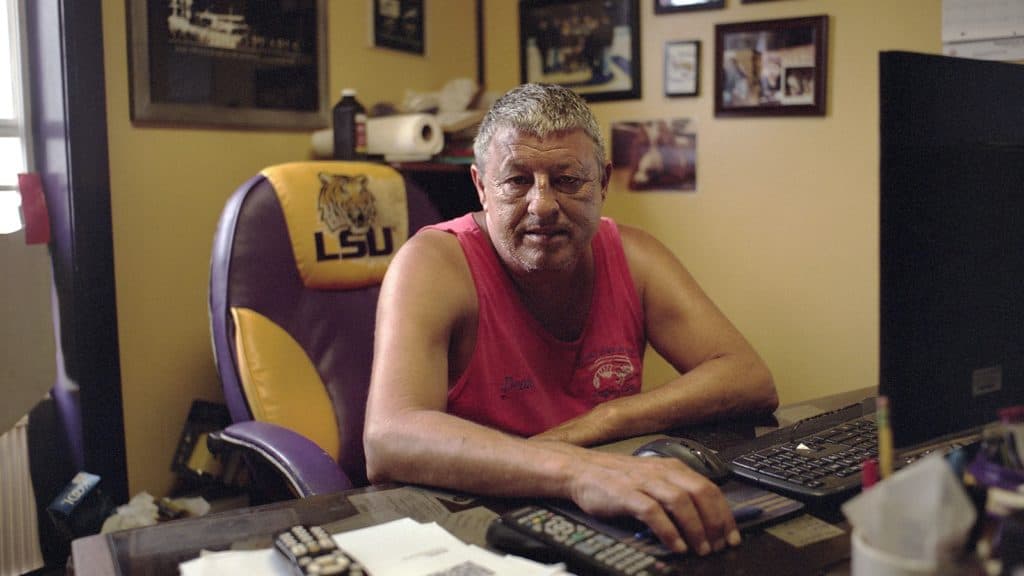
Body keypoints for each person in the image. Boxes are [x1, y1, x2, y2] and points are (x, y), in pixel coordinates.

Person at [363, 83, 778, 557]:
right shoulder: (433, 263)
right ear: (480, 187)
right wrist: (574, 469)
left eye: (567, 179)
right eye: (517, 180)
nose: (542, 205)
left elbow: (748, 376)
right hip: (476, 522)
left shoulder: (634, 255)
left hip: (604, 506)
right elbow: (388, 438)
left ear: (602, 182)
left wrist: (603, 420)